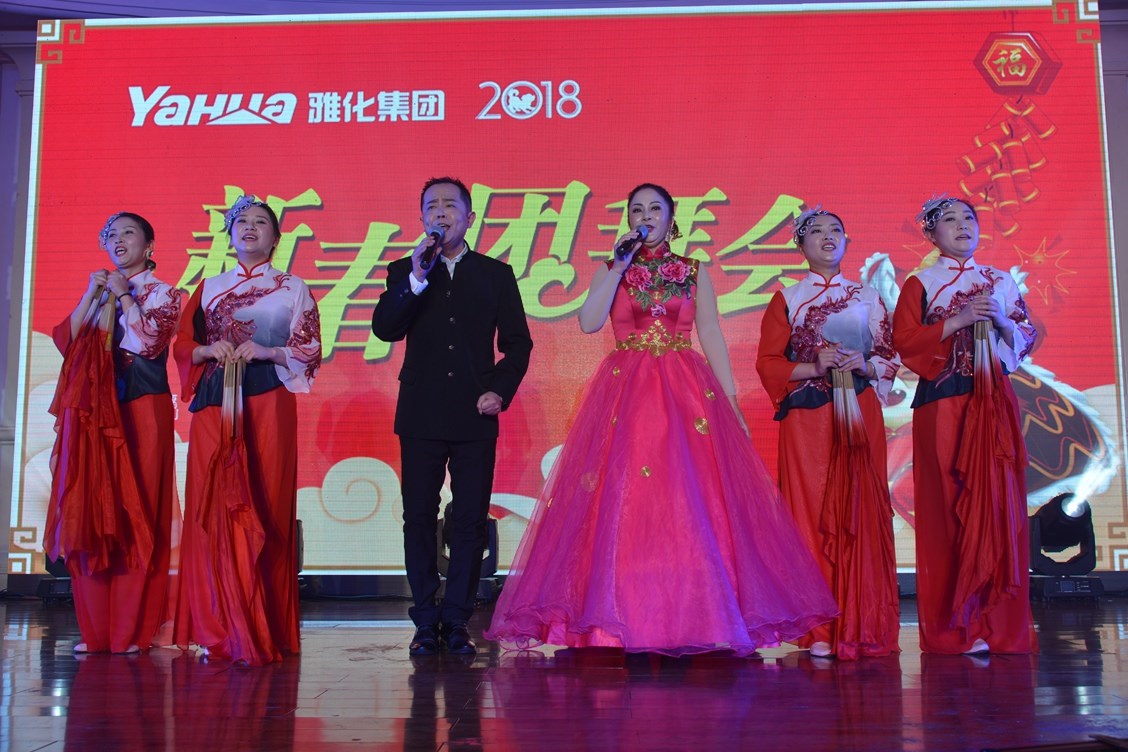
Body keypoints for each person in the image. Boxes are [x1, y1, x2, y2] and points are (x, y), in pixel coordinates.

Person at [485, 183, 837, 656]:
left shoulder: (693, 270)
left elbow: (709, 332)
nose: (645, 216)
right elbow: (589, 322)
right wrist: (617, 266)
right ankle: (621, 618)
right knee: (625, 499)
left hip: (685, 392)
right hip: (626, 393)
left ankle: (694, 618)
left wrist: (731, 401)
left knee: (689, 501)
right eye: (637, 210)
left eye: (655, 209)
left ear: (671, 219)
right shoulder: (612, 269)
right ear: (628, 220)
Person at [372, 177, 533, 656]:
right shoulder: (405, 270)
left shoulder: (495, 275)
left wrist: (499, 390)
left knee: (469, 519)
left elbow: (518, 345)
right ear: (422, 218)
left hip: (474, 414)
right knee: (419, 516)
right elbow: (385, 328)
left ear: (469, 217)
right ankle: (425, 618)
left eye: (449, 206)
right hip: (420, 412)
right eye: (431, 207)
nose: (440, 213)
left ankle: (458, 618)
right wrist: (416, 279)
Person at [174, 195, 322, 665]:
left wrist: (269, 351)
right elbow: (183, 343)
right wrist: (206, 350)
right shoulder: (210, 287)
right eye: (242, 222)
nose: (250, 228)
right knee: (211, 502)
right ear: (230, 234)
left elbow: (310, 347)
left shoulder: (292, 287)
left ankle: (266, 625)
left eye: (261, 222)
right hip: (216, 403)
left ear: (276, 238)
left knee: (266, 503)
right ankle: (217, 625)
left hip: (268, 400)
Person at [892, 195, 1038, 655]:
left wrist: (1001, 321)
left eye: (969, 218)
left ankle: (1000, 625)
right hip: (943, 404)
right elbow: (905, 342)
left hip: (992, 401)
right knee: (950, 504)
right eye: (949, 220)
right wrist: (958, 319)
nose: (962, 226)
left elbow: (1025, 336)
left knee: (998, 501)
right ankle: (956, 627)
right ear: (930, 234)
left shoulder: (999, 279)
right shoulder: (920, 282)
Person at [756, 208, 901, 660]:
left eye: (836, 229)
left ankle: (862, 621)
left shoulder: (868, 296)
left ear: (846, 241)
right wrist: (813, 366)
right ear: (800, 245)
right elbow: (768, 363)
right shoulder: (788, 298)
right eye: (815, 231)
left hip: (858, 413)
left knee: (860, 511)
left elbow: (892, 356)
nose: (827, 236)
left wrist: (866, 365)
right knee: (810, 513)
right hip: (807, 420)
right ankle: (818, 627)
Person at [45, 211, 181, 654]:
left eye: (128, 232)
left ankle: (132, 630)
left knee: (138, 513)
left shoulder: (163, 293)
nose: (118, 239)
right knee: (94, 510)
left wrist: (124, 295)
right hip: (97, 414)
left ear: (149, 245)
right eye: (111, 234)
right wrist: (94, 292)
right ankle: (96, 631)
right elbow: (67, 341)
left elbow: (148, 341)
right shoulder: (99, 293)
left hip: (142, 410)